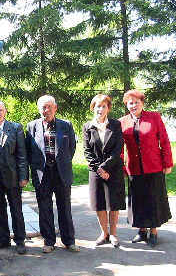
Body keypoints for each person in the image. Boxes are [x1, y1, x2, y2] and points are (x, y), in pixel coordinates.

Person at [119, 89, 173, 247]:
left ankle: (153, 231)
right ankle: (141, 231)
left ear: (142, 103)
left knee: (153, 199)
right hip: (134, 168)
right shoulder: (122, 121)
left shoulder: (154, 117)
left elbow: (164, 140)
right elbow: (119, 147)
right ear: (127, 105)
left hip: (153, 166)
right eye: (130, 103)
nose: (134, 105)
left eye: (137, 102)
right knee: (138, 200)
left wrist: (167, 163)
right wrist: (122, 167)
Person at [25, 95, 79, 254]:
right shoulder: (31, 126)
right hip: (42, 174)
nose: (46, 110)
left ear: (55, 108)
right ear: (38, 109)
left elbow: (71, 148)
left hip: (61, 172)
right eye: (43, 107)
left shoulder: (66, 125)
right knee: (44, 209)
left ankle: (69, 241)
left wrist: (61, 163)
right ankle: (48, 241)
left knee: (65, 208)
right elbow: (29, 151)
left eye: (49, 107)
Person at [0, 100, 28, 255]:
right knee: (0, 210)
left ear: (5, 111)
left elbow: (22, 154)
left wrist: (23, 176)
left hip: (12, 176)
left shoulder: (16, 128)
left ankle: (20, 240)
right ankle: (3, 239)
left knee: (16, 210)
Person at [82, 94, 125, 248]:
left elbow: (118, 148)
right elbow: (87, 151)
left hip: (113, 169)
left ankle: (113, 233)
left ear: (108, 108)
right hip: (95, 170)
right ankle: (103, 233)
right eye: (98, 106)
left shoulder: (115, 124)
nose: (100, 109)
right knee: (99, 203)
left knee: (113, 203)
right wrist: (99, 169)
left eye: (104, 106)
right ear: (93, 108)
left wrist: (106, 167)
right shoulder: (87, 126)